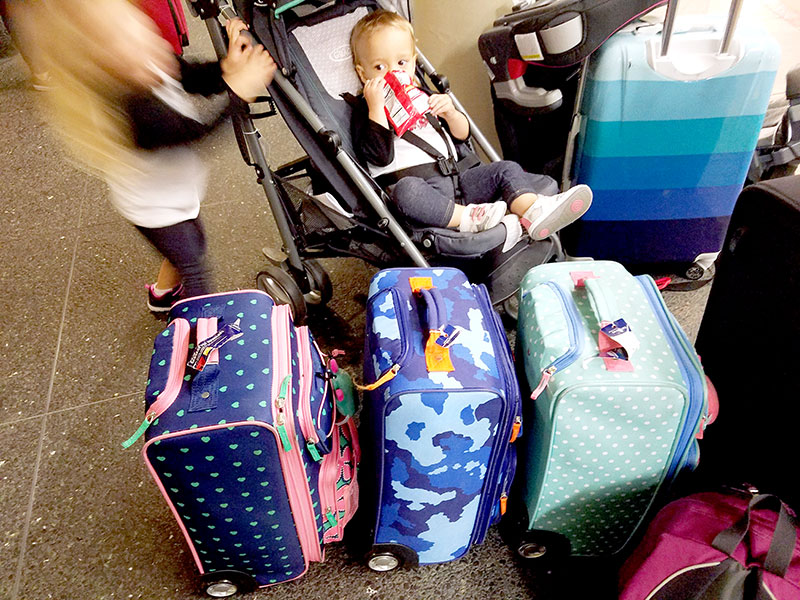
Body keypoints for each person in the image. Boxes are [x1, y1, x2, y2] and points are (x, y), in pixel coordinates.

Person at [31, 0, 276, 311]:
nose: (144, 39)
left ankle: (161, 295)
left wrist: (226, 68)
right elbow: (194, 132)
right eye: (118, 40)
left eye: (137, 24)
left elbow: (193, 77)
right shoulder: (131, 111)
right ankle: (198, 334)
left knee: (189, 247)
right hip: (156, 211)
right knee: (195, 268)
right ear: (97, 68)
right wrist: (239, 93)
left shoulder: (146, 58)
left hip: (173, 191)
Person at [349, 10, 592, 240]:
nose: (393, 71)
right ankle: (469, 218)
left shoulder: (422, 95)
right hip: (420, 188)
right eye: (379, 67)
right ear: (362, 74)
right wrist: (376, 108)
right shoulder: (365, 109)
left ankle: (533, 210)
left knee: (504, 168)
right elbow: (378, 156)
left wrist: (451, 114)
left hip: (459, 179)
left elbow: (462, 135)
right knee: (405, 193)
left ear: (413, 63)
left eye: (401, 62)